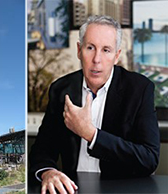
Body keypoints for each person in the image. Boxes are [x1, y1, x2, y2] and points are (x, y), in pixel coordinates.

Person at [29, 15, 160, 194]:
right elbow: (42, 150)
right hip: (73, 188)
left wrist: (91, 134)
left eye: (106, 50)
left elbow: (149, 158)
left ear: (116, 55)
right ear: (79, 50)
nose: (96, 59)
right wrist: (47, 172)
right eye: (90, 48)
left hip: (122, 188)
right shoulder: (61, 89)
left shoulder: (140, 89)